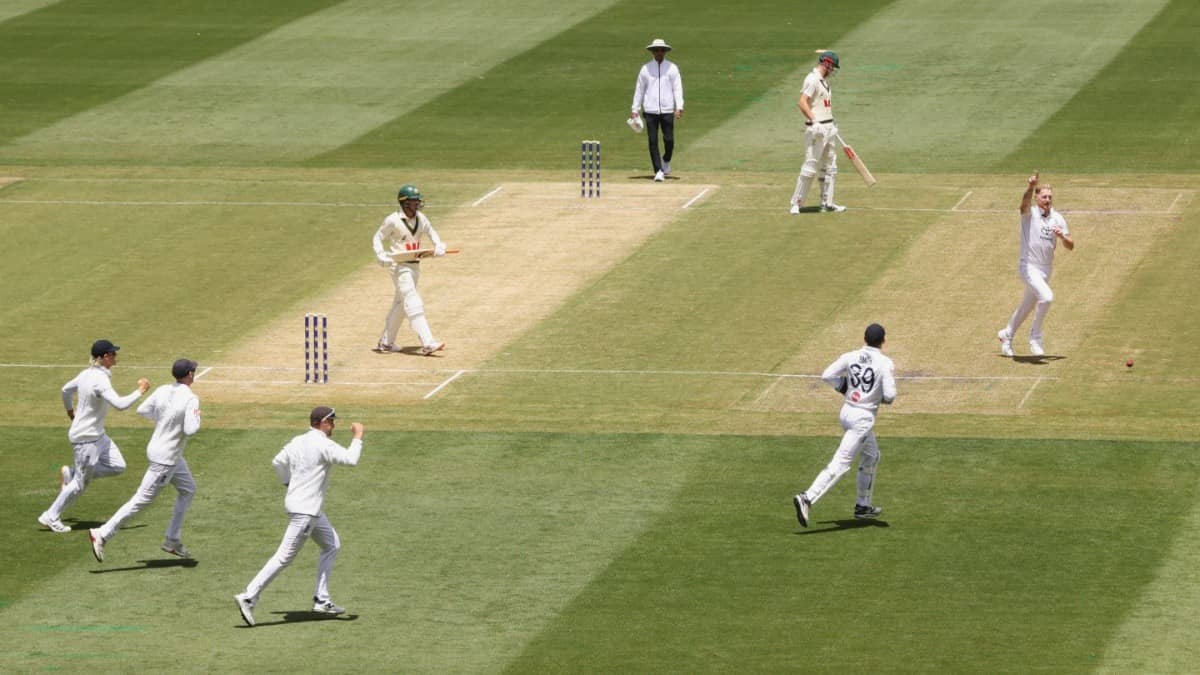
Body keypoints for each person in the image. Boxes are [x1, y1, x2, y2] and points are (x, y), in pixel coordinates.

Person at [234, 406, 364, 627]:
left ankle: (322, 599)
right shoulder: (323, 444)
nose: (333, 425)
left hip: (305, 508)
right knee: (284, 557)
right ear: (323, 422)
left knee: (332, 544)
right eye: (332, 421)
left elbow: (277, 462)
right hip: (305, 511)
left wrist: (288, 482)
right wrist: (358, 436)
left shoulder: (298, 440)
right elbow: (351, 459)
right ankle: (249, 595)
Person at [88, 359, 202, 563]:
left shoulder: (162, 389)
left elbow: (143, 410)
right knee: (141, 500)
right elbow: (191, 430)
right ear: (191, 375)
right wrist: (196, 417)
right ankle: (102, 533)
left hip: (163, 452)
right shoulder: (191, 399)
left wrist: (164, 421)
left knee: (188, 489)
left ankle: (172, 540)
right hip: (166, 460)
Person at [38, 340, 150, 533]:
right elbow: (120, 405)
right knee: (81, 485)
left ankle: (72, 474)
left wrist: (70, 412)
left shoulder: (86, 374)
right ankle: (51, 515)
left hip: (98, 435)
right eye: (113, 354)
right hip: (86, 439)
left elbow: (65, 390)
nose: (115, 357)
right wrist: (140, 391)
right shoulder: (99, 380)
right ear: (104, 357)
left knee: (118, 466)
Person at [794, 324, 897, 527]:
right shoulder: (885, 363)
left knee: (872, 454)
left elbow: (827, 375)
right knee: (841, 464)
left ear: (864, 338)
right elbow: (890, 396)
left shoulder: (850, 356)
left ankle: (862, 505)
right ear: (883, 341)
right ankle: (807, 497)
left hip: (847, 411)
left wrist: (846, 388)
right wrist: (875, 398)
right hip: (863, 418)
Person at [997, 172, 1074, 357]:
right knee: (1047, 297)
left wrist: (1062, 236)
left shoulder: (1058, 218)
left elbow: (1071, 245)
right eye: (1044, 196)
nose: (1047, 199)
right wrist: (1030, 187)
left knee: (1027, 306)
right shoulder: (1029, 214)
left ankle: (1006, 334)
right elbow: (1022, 204)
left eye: (1050, 196)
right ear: (1037, 198)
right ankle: (1035, 338)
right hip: (1028, 266)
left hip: (1046, 269)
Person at [372, 184, 448, 356]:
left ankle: (386, 343)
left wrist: (439, 245)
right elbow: (377, 237)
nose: (418, 204)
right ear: (405, 203)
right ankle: (428, 342)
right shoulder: (393, 220)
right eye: (414, 201)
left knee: (400, 305)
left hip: (414, 266)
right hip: (399, 267)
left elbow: (431, 232)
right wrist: (381, 255)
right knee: (412, 300)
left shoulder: (421, 218)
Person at [789, 51, 846, 214]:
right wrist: (814, 121)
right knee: (810, 167)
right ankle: (796, 203)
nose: (833, 70)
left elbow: (823, 106)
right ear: (826, 63)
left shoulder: (824, 82)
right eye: (832, 67)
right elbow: (802, 102)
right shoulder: (812, 79)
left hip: (828, 129)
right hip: (816, 130)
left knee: (830, 167)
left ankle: (827, 202)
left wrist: (831, 124)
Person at [631, 38, 684, 183]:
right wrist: (635, 109)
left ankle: (666, 159)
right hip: (650, 110)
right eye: (656, 50)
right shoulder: (646, 69)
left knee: (669, 140)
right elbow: (639, 90)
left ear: (665, 52)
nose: (658, 52)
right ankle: (658, 171)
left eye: (661, 50)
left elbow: (677, 88)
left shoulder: (672, 68)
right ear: (652, 52)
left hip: (667, 110)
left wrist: (679, 107)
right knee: (652, 141)